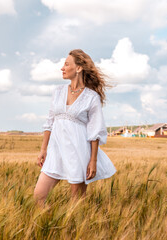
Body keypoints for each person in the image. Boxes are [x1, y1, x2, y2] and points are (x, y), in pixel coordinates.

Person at [33, 49, 117, 208]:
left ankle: (74, 231)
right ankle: (51, 227)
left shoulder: (91, 97)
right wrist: (43, 150)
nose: (62, 68)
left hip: (78, 152)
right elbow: (49, 122)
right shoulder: (57, 91)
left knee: (76, 204)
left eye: (66, 64)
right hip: (55, 151)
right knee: (38, 197)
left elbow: (95, 131)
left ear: (78, 68)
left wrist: (93, 160)